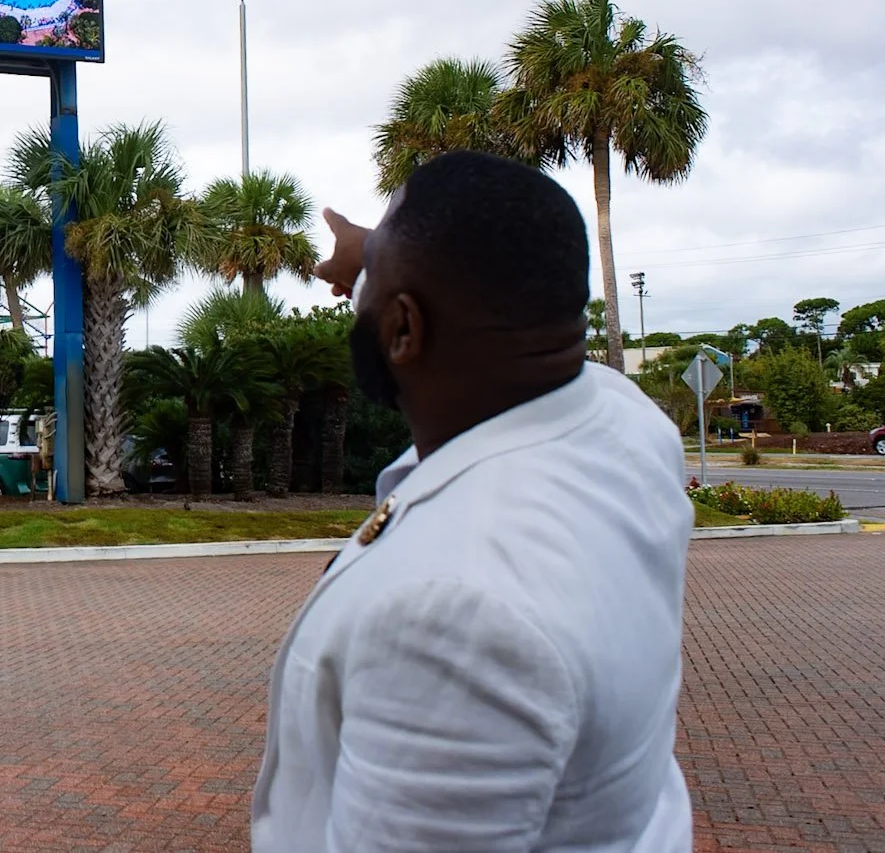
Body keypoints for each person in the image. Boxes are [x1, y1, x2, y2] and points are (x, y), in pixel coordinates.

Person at [250, 151, 692, 852]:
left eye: (376, 293)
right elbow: (469, 286)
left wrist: (393, 269)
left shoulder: (455, 616)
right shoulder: (629, 423)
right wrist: (375, 260)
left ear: (403, 330)